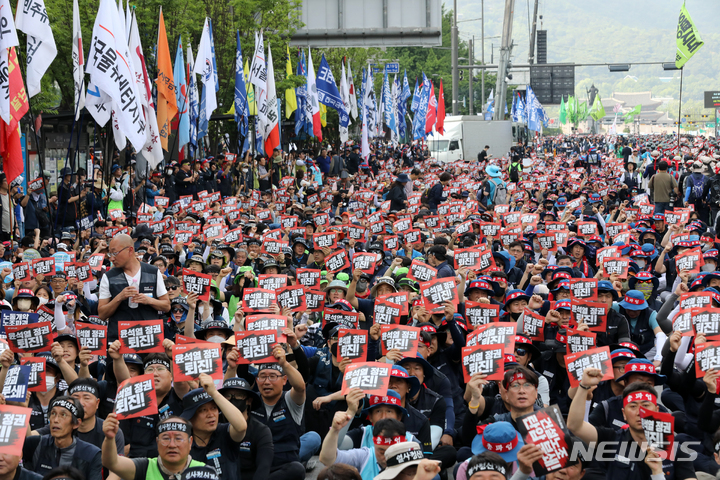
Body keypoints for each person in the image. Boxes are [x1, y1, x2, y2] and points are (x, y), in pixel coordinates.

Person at [568, 367, 696, 480]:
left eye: (645, 405)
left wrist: (657, 473)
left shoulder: (677, 451)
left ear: (657, 410)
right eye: (633, 406)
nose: (640, 412)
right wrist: (584, 386)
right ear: (624, 413)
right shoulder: (610, 440)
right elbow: (575, 426)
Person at [249, 345, 315, 480]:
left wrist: (284, 363)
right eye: (262, 377)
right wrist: (232, 368)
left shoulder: (290, 400)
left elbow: (300, 386)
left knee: (297, 468)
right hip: (255, 465)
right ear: (257, 381)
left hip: (282, 466)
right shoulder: (251, 401)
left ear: (284, 380)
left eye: (273, 376)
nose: (267, 382)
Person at [98, 233, 171, 343]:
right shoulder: (108, 277)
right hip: (120, 340)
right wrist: (119, 297)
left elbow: (166, 306)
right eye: (110, 253)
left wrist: (148, 300)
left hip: (149, 338)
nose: (111, 258)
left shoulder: (153, 272)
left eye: (115, 253)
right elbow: (102, 314)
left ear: (130, 250)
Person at [181, 373, 247, 480]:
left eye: (214, 408)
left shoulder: (224, 433)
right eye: (203, 410)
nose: (211, 414)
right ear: (190, 417)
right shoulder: (183, 444)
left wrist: (214, 393)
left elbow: (241, 427)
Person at [101, 415, 207, 480]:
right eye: (165, 438)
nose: (172, 445)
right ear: (157, 442)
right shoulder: (145, 467)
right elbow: (111, 463)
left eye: (178, 439)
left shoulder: (205, 472)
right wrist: (109, 439)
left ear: (190, 442)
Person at [22, 397, 102, 480]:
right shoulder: (35, 444)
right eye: (53, 413)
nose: (55, 420)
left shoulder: (91, 454)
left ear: (76, 423)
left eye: (63, 415)